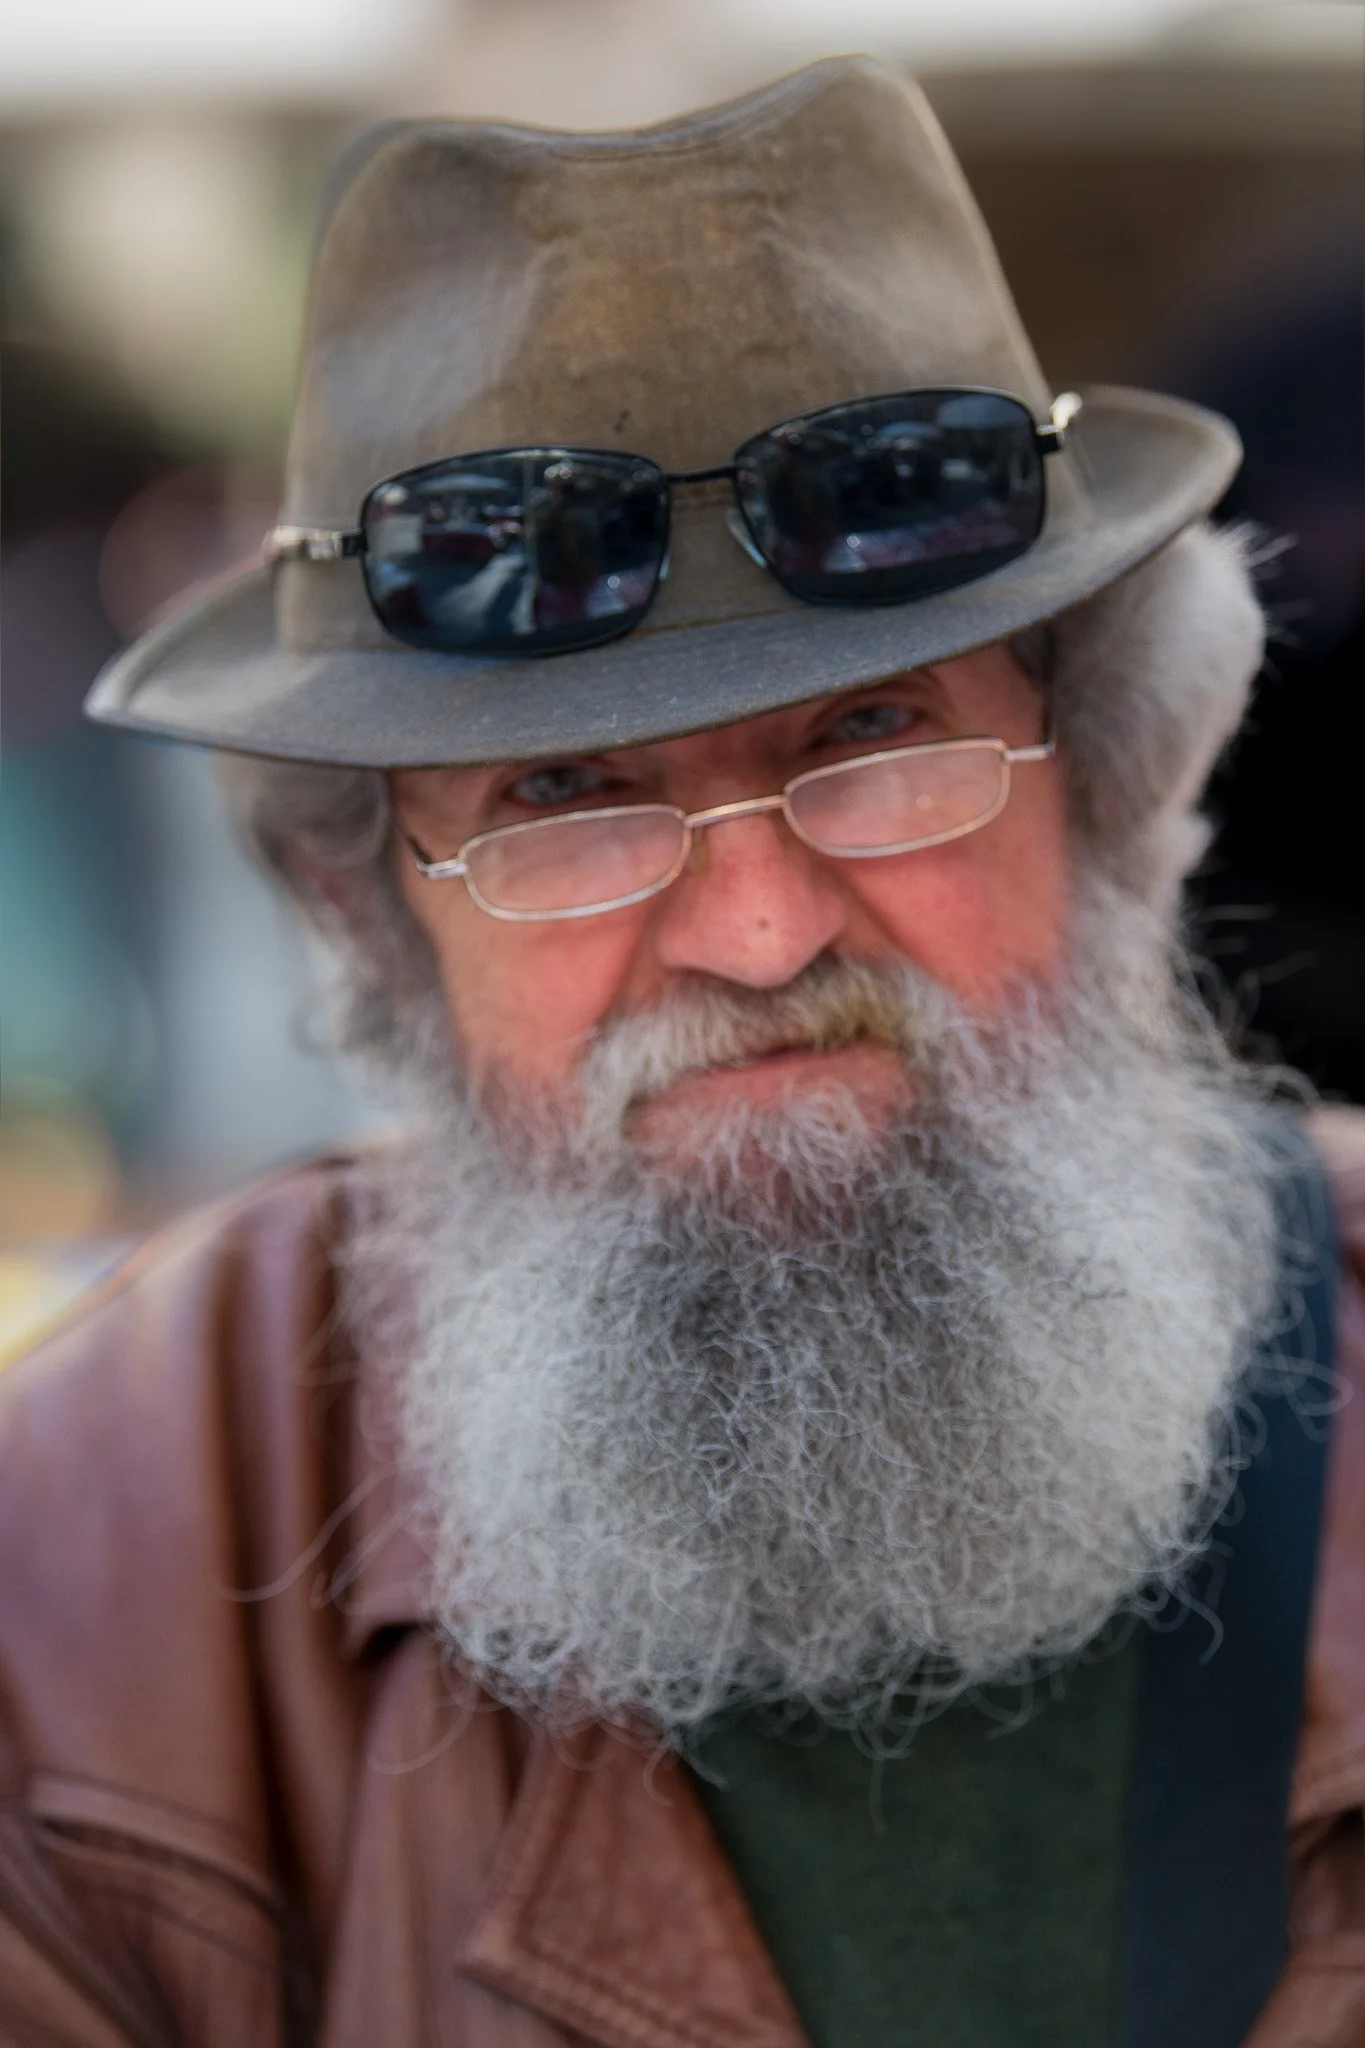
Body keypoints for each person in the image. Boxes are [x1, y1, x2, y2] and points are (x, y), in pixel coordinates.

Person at [1, 56, 1362, 2048]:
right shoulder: (94, 1569)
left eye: (874, 740)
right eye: (565, 789)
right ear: (374, 912)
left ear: (1102, 778)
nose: (756, 929)